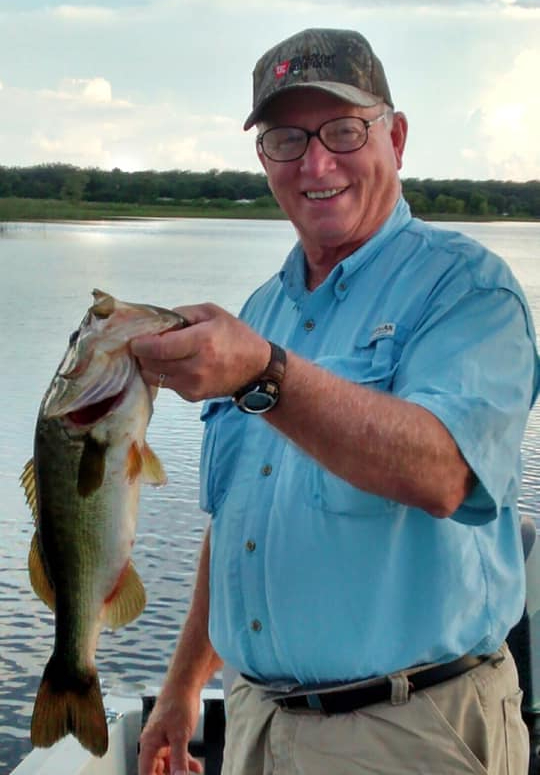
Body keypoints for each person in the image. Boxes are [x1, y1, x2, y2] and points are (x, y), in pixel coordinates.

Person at [134, 27, 539, 775]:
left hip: (414, 732)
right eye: (287, 139)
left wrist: (263, 374)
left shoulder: (467, 290)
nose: (316, 163)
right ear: (264, 160)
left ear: (398, 137)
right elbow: (237, 527)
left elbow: (445, 470)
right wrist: (183, 683)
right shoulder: (261, 311)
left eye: (344, 130)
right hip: (257, 724)